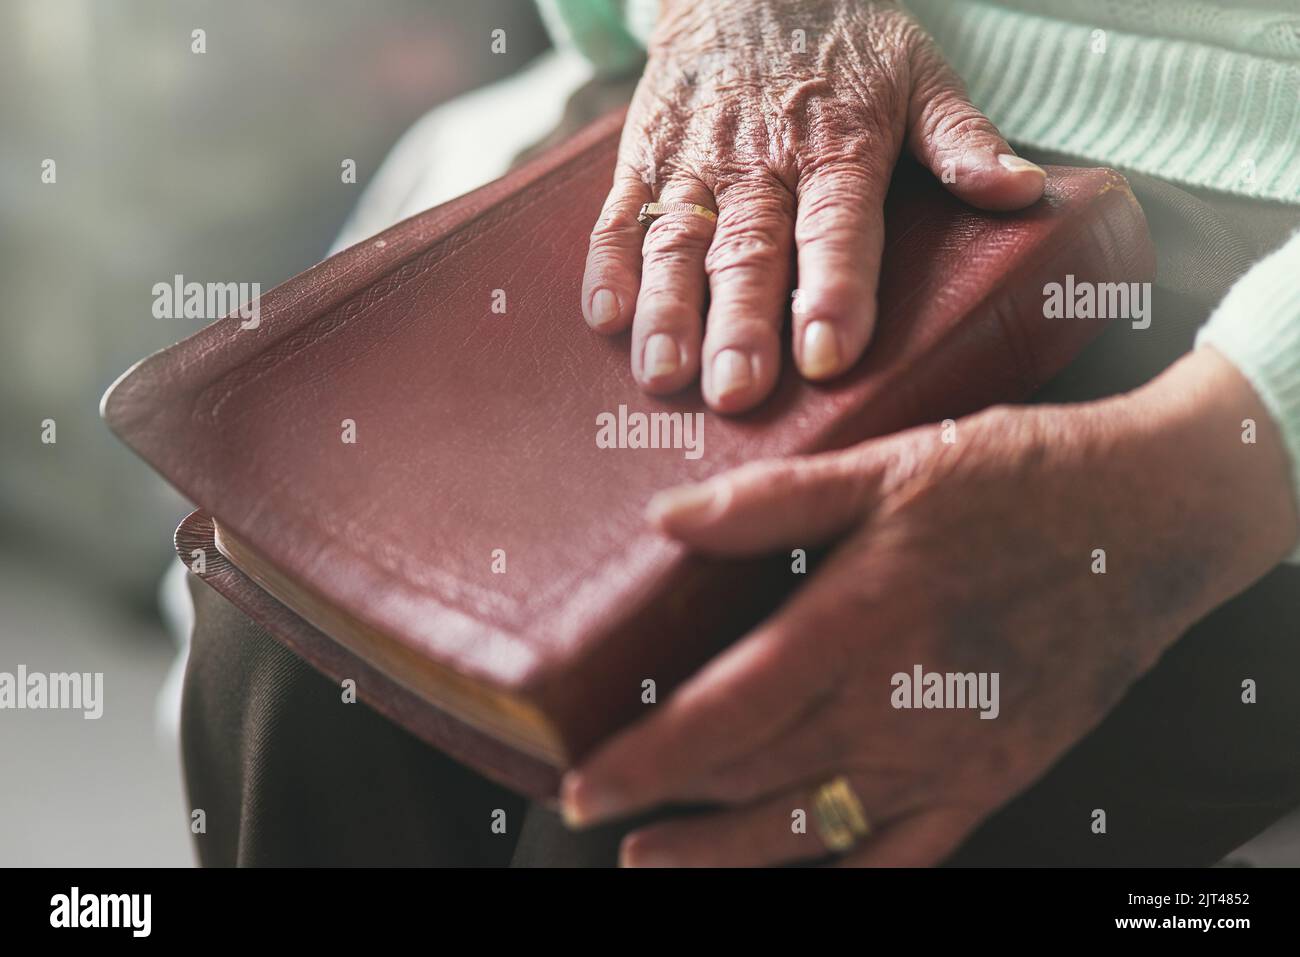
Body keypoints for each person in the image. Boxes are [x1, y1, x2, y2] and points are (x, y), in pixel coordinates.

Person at [181, 0, 1300, 865]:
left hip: (1249, 206)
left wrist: (1218, 456)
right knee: (295, 653)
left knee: (718, 786)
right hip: (781, 68)